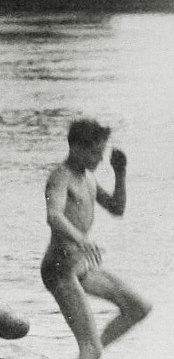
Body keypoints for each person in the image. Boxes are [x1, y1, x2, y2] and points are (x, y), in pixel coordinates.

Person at [41, 118, 151, 359]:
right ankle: (91, 352)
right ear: (76, 148)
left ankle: (91, 354)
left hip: (81, 267)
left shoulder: (88, 177)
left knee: (138, 308)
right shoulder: (60, 177)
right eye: (94, 153)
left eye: (102, 153)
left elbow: (116, 208)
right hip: (59, 270)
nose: (100, 159)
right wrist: (81, 239)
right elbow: (54, 215)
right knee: (91, 348)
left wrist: (120, 173)